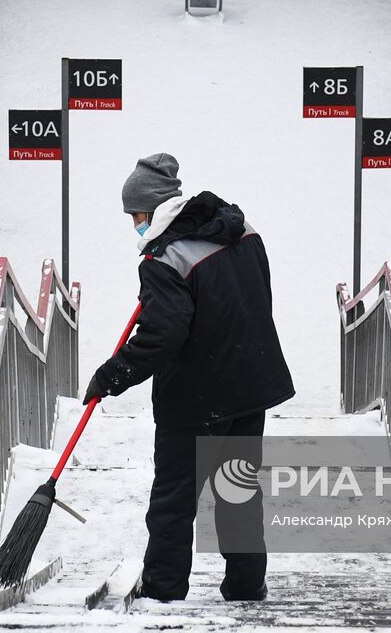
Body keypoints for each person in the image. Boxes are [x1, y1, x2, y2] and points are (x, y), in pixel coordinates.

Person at [83, 152, 295, 602]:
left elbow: (164, 334)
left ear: (149, 209)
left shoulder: (164, 258)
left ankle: (163, 592)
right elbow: (255, 298)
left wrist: (111, 375)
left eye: (135, 216)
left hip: (196, 396)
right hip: (248, 384)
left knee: (174, 500)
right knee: (238, 489)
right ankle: (245, 584)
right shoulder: (242, 229)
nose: (135, 225)